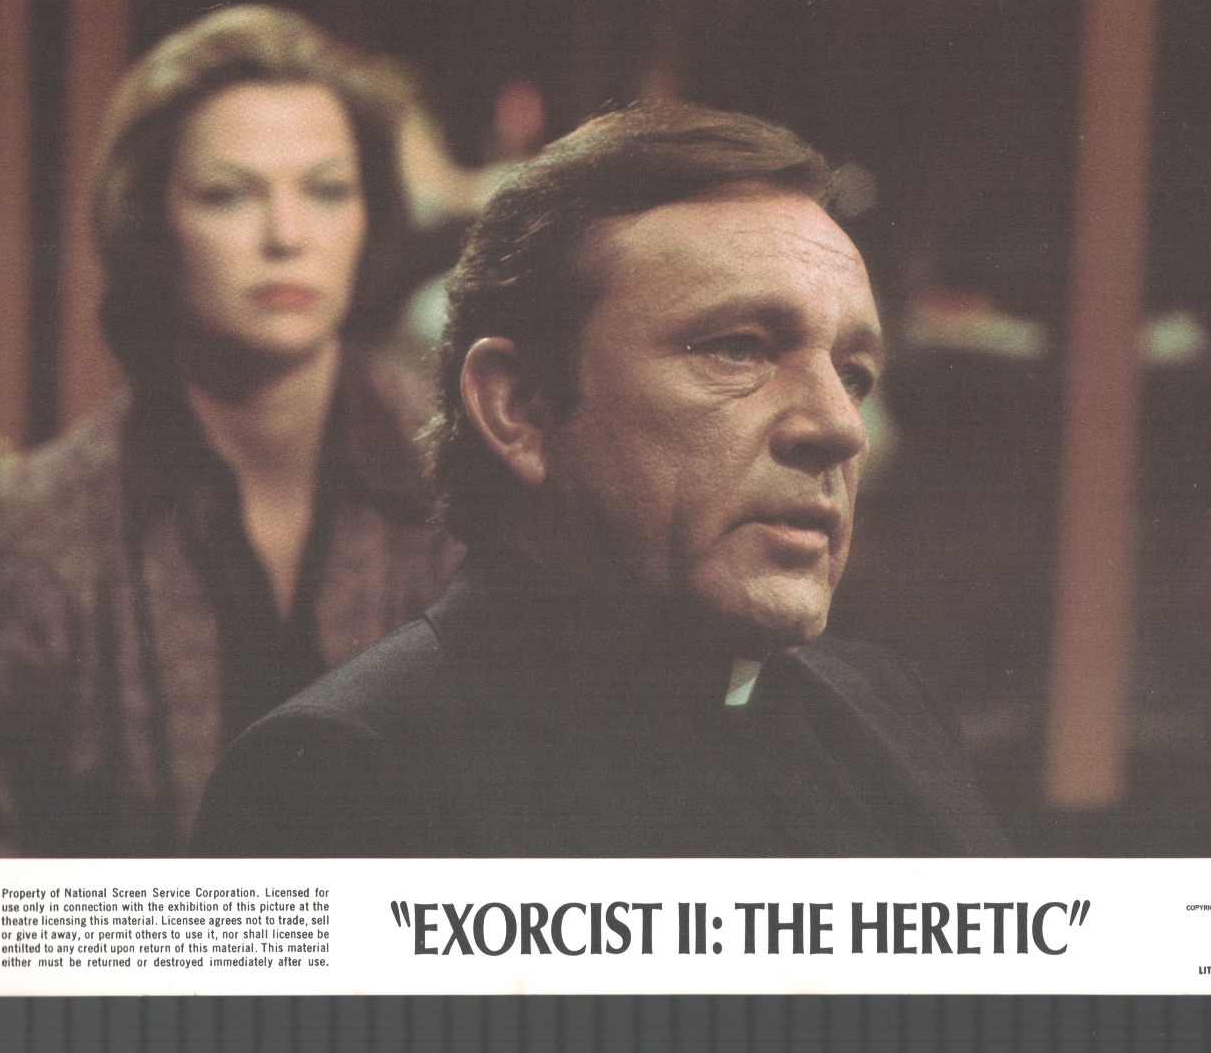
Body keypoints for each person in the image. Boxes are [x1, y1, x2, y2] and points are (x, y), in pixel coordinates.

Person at [192, 102, 1007, 858]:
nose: (838, 428)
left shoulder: (888, 713)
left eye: (854, 375)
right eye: (739, 349)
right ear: (519, 407)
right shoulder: (343, 777)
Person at [0, 6, 462, 857]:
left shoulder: (466, 483)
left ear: (369, 215)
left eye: (326, 191)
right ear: (152, 223)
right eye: (229, 195)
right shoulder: (51, 529)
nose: (286, 236)